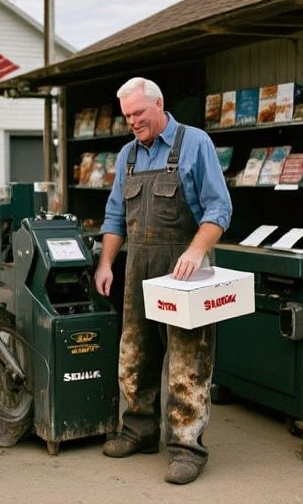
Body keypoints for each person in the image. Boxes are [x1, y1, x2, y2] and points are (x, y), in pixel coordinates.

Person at [94, 77, 232, 485]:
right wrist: (106, 264)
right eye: (127, 116)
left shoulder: (195, 144)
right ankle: (139, 430)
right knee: (134, 355)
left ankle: (187, 448)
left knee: (188, 364)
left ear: (159, 104)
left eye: (139, 113)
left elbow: (219, 207)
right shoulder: (127, 156)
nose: (133, 122)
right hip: (137, 267)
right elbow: (115, 216)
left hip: (184, 268)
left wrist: (195, 250)